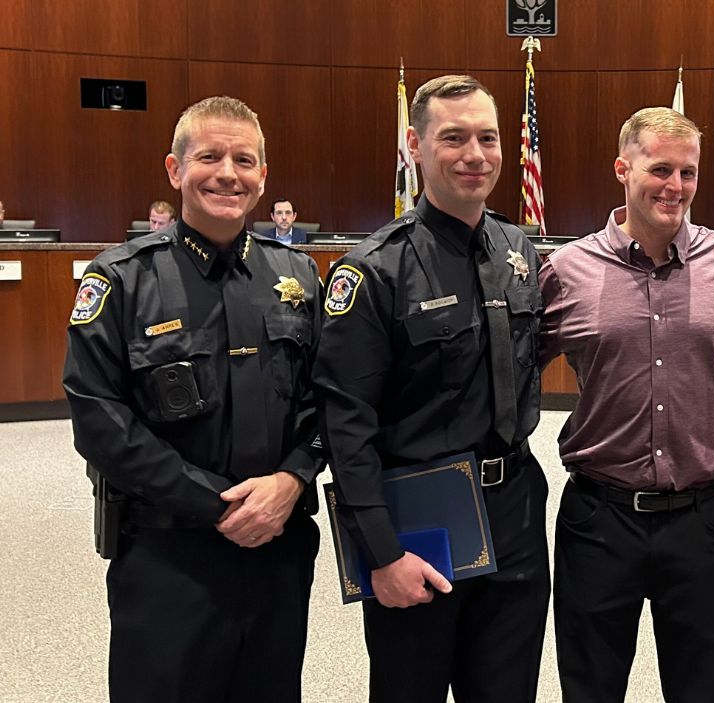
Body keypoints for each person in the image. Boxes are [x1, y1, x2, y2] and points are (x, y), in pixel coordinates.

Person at [63, 96, 324, 702]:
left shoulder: (299, 277)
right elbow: (99, 419)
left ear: (263, 176)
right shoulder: (122, 279)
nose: (228, 173)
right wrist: (218, 505)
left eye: (244, 160)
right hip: (168, 555)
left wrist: (293, 477)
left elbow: (330, 400)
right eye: (209, 157)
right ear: (175, 169)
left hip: (278, 549)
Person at [313, 75, 548, 703]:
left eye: (487, 138)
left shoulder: (517, 249)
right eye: (454, 138)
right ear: (415, 146)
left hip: (515, 510)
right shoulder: (374, 270)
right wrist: (381, 551)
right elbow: (346, 423)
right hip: (420, 521)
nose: (476, 154)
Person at [538, 106, 714, 703]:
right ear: (622, 169)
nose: (675, 186)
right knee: (591, 688)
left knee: (700, 688)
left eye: (688, 172)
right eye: (660, 169)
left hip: (701, 517)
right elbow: (510, 374)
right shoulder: (567, 270)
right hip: (599, 516)